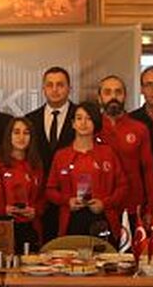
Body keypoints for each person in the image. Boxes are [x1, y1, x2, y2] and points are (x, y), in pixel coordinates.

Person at [45, 102, 126, 238]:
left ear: (95, 123)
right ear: (73, 123)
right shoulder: (61, 156)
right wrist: (67, 201)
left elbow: (122, 186)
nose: (83, 123)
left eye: (89, 118)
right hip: (71, 219)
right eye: (79, 118)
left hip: (102, 216)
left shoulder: (107, 153)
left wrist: (105, 203)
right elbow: (50, 190)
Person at [0, 117, 46, 253]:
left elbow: (43, 197)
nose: (21, 137)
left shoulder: (36, 165)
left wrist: (35, 210)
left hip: (29, 227)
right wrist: (2, 210)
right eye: (16, 132)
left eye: (26, 133)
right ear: (9, 136)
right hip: (1, 227)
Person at [96, 75, 153, 234]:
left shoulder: (139, 129)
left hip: (132, 206)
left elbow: (149, 171)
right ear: (99, 97)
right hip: (100, 206)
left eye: (118, 92)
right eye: (107, 92)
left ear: (125, 96)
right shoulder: (91, 127)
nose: (113, 96)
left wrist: (150, 208)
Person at [25, 66, 76, 173]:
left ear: (69, 89)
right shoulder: (30, 119)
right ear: (43, 89)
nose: (54, 89)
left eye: (60, 85)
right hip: (39, 180)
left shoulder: (80, 116)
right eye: (49, 85)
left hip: (71, 179)